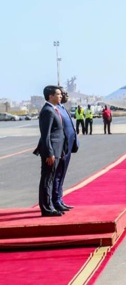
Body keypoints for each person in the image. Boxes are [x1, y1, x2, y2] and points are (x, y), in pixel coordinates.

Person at [33, 85, 66, 217]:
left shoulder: (54, 109)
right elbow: (45, 135)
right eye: (58, 94)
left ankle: (50, 206)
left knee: (50, 179)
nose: (61, 96)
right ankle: (46, 209)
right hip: (51, 152)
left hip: (57, 151)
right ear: (50, 96)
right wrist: (49, 153)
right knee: (47, 180)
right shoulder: (47, 111)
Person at [53, 88, 78, 212]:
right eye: (63, 93)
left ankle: (60, 199)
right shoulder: (55, 109)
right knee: (57, 175)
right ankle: (55, 200)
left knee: (62, 175)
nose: (65, 95)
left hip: (68, 147)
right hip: (62, 148)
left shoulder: (62, 108)